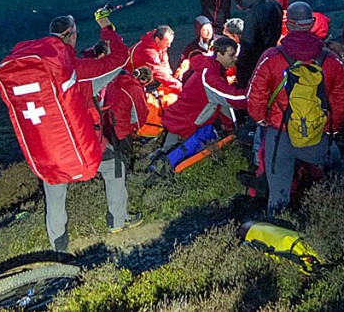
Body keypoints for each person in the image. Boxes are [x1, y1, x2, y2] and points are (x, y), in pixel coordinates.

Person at [38, 13, 140, 251]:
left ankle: (58, 246)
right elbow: (120, 59)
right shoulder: (80, 70)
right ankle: (117, 219)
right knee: (114, 166)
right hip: (80, 143)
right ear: (72, 35)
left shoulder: (42, 68)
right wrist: (106, 28)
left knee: (54, 191)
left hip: (48, 145)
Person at [247, 1, 344, 215]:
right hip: (318, 137)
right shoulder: (331, 60)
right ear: (311, 23)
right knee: (338, 177)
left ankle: (278, 234)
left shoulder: (271, 57)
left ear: (289, 24)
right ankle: (334, 220)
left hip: (280, 137)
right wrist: (333, 128)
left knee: (278, 197)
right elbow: (341, 98)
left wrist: (260, 118)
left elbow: (254, 95)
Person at [159, 36, 246, 168]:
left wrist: (231, 128)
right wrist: (255, 95)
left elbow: (221, 104)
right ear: (218, 54)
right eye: (232, 55)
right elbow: (231, 99)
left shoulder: (214, 69)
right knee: (169, 166)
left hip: (188, 125)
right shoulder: (209, 75)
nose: (235, 59)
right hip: (183, 128)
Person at [234, 0, 283, 88]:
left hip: (256, 61)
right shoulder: (275, 4)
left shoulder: (253, 13)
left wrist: (240, 63)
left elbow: (248, 42)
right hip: (274, 53)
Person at [128, 25, 182, 90]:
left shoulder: (160, 44)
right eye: (167, 43)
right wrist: (177, 85)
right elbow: (158, 71)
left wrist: (169, 74)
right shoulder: (148, 52)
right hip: (131, 79)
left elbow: (164, 58)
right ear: (157, 39)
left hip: (147, 75)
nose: (169, 46)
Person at [174, 15, 215, 82]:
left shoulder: (219, 42)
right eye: (205, 30)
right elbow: (182, 65)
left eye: (210, 28)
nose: (209, 32)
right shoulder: (191, 47)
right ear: (199, 31)